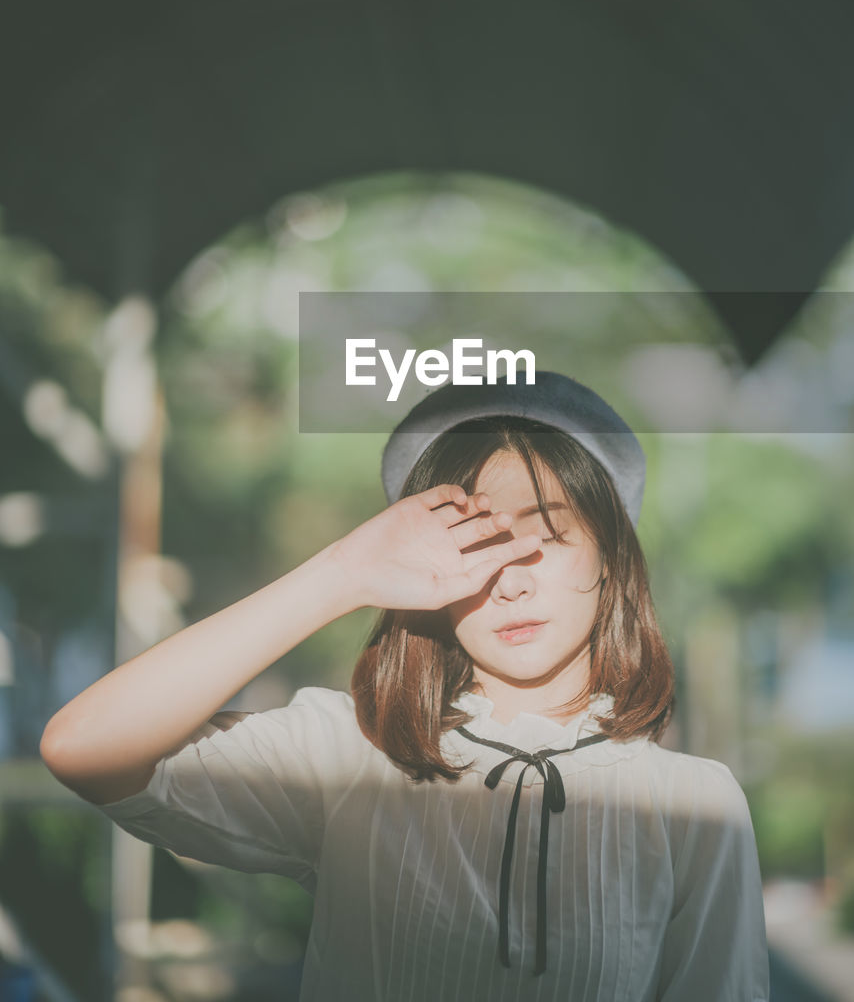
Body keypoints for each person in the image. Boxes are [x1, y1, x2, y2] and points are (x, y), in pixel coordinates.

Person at [40, 370, 770, 1001]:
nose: (511, 581)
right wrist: (341, 574)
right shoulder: (345, 755)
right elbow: (83, 746)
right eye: (476, 543)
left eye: (546, 535)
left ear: (611, 558)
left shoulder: (697, 805)